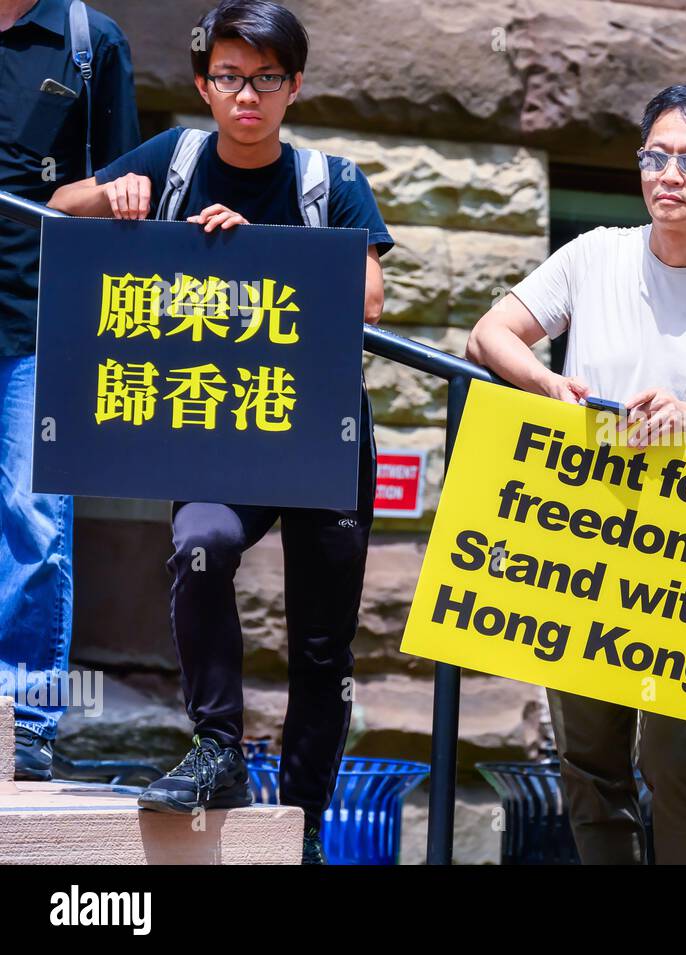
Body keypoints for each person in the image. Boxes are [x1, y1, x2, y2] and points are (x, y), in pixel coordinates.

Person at [49, 0, 392, 864]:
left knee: (322, 647)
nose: (248, 95)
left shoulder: (330, 180)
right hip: (217, 429)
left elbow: (369, 297)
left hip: (317, 433)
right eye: (230, 77)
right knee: (201, 544)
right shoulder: (174, 157)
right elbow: (60, 206)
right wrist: (114, 192)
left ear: (294, 87)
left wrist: (257, 251)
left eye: (266, 78)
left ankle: (304, 824)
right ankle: (217, 748)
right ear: (204, 84)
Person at [467, 84, 686, 864]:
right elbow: (490, 334)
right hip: (582, 534)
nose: (668, 175)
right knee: (589, 761)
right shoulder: (595, 254)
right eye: (655, 157)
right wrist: (547, 383)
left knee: (674, 758)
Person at [1, 0, 138, 781]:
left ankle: (22, 719)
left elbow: (129, 182)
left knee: (32, 520)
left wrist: (81, 198)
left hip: (39, 321)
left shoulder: (90, 41)